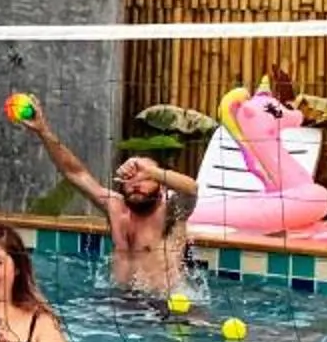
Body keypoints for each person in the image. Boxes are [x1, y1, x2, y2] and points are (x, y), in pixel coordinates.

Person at [13, 103, 200, 295]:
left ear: (161, 185)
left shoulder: (172, 211)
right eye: (130, 177)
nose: (136, 183)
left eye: (146, 179)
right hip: (118, 301)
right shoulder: (115, 206)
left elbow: (192, 189)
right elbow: (75, 172)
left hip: (162, 306)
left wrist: (151, 171)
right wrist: (43, 130)